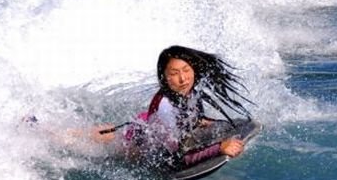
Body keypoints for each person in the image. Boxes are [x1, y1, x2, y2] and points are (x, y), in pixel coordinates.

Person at [81, 45, 253, 172]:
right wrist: (219, 148)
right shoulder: (166, 108)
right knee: (107, 147)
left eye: (186, 70)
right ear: (164, 77)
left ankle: (88, 132)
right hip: (138, 145)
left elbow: (190, 116)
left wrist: (209, 123)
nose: (183, 79)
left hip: (147, 124)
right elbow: (179, 158)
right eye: (174, 73)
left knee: (110, 133)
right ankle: (63, 136)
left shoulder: (189, 90)